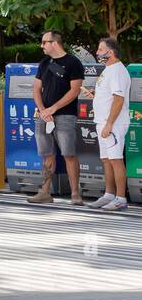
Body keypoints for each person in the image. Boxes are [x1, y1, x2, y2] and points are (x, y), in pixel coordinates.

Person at [27, 30, 85, 205]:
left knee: (69, 154)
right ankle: (45, 192)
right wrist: (43, 110)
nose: (42, 45)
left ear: (55, 43)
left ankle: (75, 194)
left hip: (65, 116)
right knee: (47, 155)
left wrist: (54, 108)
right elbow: (36, 89)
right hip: (44, 117)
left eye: (45, 42)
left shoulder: (73, 63)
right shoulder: (44, 63)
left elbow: (75, 90)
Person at [85, 37, 130, 211]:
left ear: (110, 52)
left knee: (116, 160)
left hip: (113, 124)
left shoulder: (117, 70)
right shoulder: (108, 69)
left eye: (100, 49)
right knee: (106, 160)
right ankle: (109, 195)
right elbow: (110, 96)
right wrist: (96, 96)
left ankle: (120, 198)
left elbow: (119, 99)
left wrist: (110, 123)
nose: (97, 53)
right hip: (102, 122)